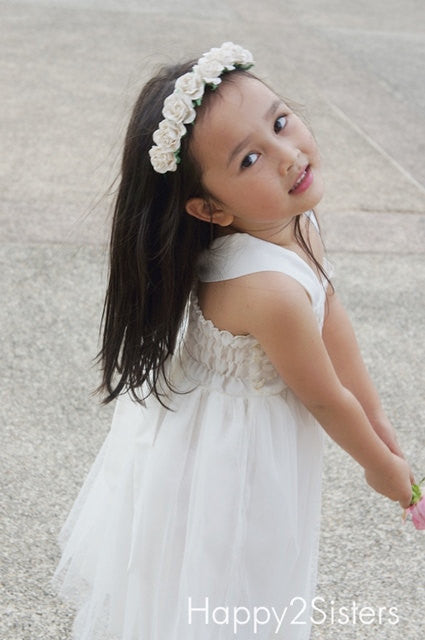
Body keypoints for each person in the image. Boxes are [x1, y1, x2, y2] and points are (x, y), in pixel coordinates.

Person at [52, 43, 413, 640]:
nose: (287, 155)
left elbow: (329, 307)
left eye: (279, 122)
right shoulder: (268, 292)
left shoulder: (294, 221)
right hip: (233, 455)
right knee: (234, 583)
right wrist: (382, 470)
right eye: (249, 159)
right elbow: (324, 398)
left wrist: (376, 412)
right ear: (209, 209)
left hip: (249, 434)